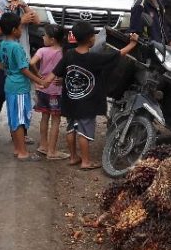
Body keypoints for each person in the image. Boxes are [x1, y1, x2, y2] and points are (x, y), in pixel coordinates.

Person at [55, 21, 139, 170]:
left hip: (70, 100)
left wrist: (42, 82)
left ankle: (73, 157)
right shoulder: (94, 58)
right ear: (90, 39)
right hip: (87, 103)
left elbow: (55, 74)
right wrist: (132, 44)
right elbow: (117, 55)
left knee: (71, 128)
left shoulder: (69, 55)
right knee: (83, 132)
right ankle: (86, 162)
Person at [0, 0, 38, 143]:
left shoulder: (21, 3)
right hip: (5, 58)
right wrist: (20, 21)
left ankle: (20, 133)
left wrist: (24, 6)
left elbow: (37, 21)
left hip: (21, 56)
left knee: (21, 98)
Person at [0, 12, 48, 160]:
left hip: (9, 86)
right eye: (20, 28)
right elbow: (23, 69)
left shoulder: (3, 44)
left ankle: (17, 149)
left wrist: (7, 69)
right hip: (19, 87)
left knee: (14, 117)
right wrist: (38, 81)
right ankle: (23, 152)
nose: (21, 30)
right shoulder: (16, 47)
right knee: (21, 119)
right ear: (15, 30)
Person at [30, 24, 68, 160]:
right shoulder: (64, 52)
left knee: (44, 117)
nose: (42, 37)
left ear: (52, 39)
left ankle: (43, 145)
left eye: (45, 35)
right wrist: (62, 79)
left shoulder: (42, 50)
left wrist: (38, 75)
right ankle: (52, 151)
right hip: (55, 91)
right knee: (56, 120)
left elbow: (31, 63)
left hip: (42, 89)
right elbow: (67, 69)